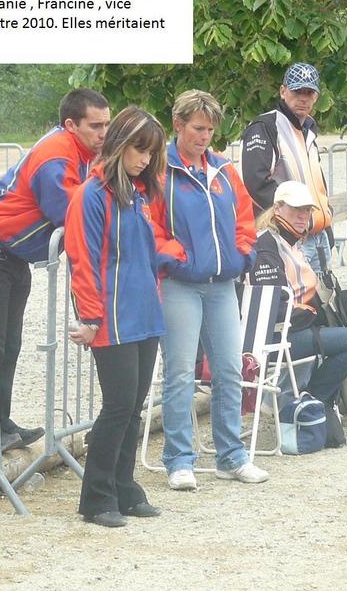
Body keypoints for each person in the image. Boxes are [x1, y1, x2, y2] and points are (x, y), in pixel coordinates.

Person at [0, 88, 111, 452]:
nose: (104, 134)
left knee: (8, 344)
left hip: (13, 255)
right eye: (95, 126)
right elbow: (69, 213)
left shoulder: (84, 152)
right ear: (70, 125)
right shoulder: (56, 155)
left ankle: (0, 422)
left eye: (107, 125)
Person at [151, 89, 268, 490]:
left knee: (229, 369)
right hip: (180, 284)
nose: (205, 136)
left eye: (211, 129)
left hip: (221, 283)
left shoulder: (223, 170)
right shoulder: (159, 171)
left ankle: (231, 455)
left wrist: (242, 254)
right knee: (181, 371)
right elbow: (152, 226)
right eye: (198, 128)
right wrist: (176, 258)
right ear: (178, 124)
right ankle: (179, 459)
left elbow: (245, 218)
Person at [65, 106, 167, 528]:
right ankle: (96, 496)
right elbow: (82, 258)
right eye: (139, 149)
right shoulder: (90, 195)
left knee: (135, 407)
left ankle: (125, 488)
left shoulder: (141, 192)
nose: (145, 158)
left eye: (151, 152)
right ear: (120, 144)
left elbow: (151, 249)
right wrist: (89, 315)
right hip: (111, 316)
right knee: (118, 405)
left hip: (144, 311)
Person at [248, 181, 347, 447]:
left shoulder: (290, 243)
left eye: (307, 210)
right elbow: (271, 307)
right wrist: (314, 311)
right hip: (276, 339)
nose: (303, 216)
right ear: (277, 209)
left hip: (296, 329)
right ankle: (311, 400)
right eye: (296, 209)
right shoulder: (266, 246)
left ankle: (316, 401)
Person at [240, 62, 334, 273]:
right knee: (291, 303)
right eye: (296, 90)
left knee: (323, 303)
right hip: (286, 237)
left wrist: (326, 217)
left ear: (316, 97)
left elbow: (315, 180)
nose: (302, 97)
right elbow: (256, 182)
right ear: (283, 91)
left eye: (309, 92)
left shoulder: (308, 129)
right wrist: (287, 225)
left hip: (317, 235)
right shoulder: (265, 127)